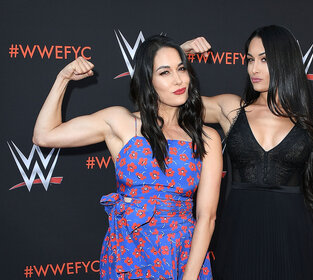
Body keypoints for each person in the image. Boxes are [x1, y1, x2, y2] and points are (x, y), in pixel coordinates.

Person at [182, 25, 313, 279]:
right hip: (239, 231)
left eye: (264, 59)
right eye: (250, 60)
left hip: (291, 233)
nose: (254, 69)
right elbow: (170, 102)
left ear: (285, 61)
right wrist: (181, 55)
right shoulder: (230, 108)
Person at [33, 35, 222, 280]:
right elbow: (44, 135)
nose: (179, 80)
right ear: (147, 81)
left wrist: (188, 277)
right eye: (164, 73)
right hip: (128, 256)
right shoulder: (123, 123)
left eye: (182, 69)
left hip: (182, 257)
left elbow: (206, 218)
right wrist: (63, 78)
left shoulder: (206, 137)